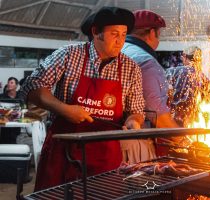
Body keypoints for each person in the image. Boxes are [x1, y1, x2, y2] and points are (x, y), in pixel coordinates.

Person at [20, 6, 145, 191]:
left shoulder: (131, 68)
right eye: (114, 34)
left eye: (124, 34)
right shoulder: (69, 55)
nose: (120, 41)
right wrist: (64, 109)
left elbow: (136, 111)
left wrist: (134, 122)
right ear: (96, 32)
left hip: (105, 155)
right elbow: (32, 86)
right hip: (63, 152)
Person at [121, 10, 181, 159]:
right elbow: (156, 114)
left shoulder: (119, 51)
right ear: (152, 33)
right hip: (136, 145)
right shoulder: (146, 62)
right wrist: (182, 138)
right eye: (159, 34)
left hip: (108, 141)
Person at [0, 77, 22, 144]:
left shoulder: (20, 96)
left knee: (14, 140)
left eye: (11, 83)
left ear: (16, 85)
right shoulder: (2, 96)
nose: (9, 84)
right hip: (4, 124)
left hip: (16, 124)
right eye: (8, 82)